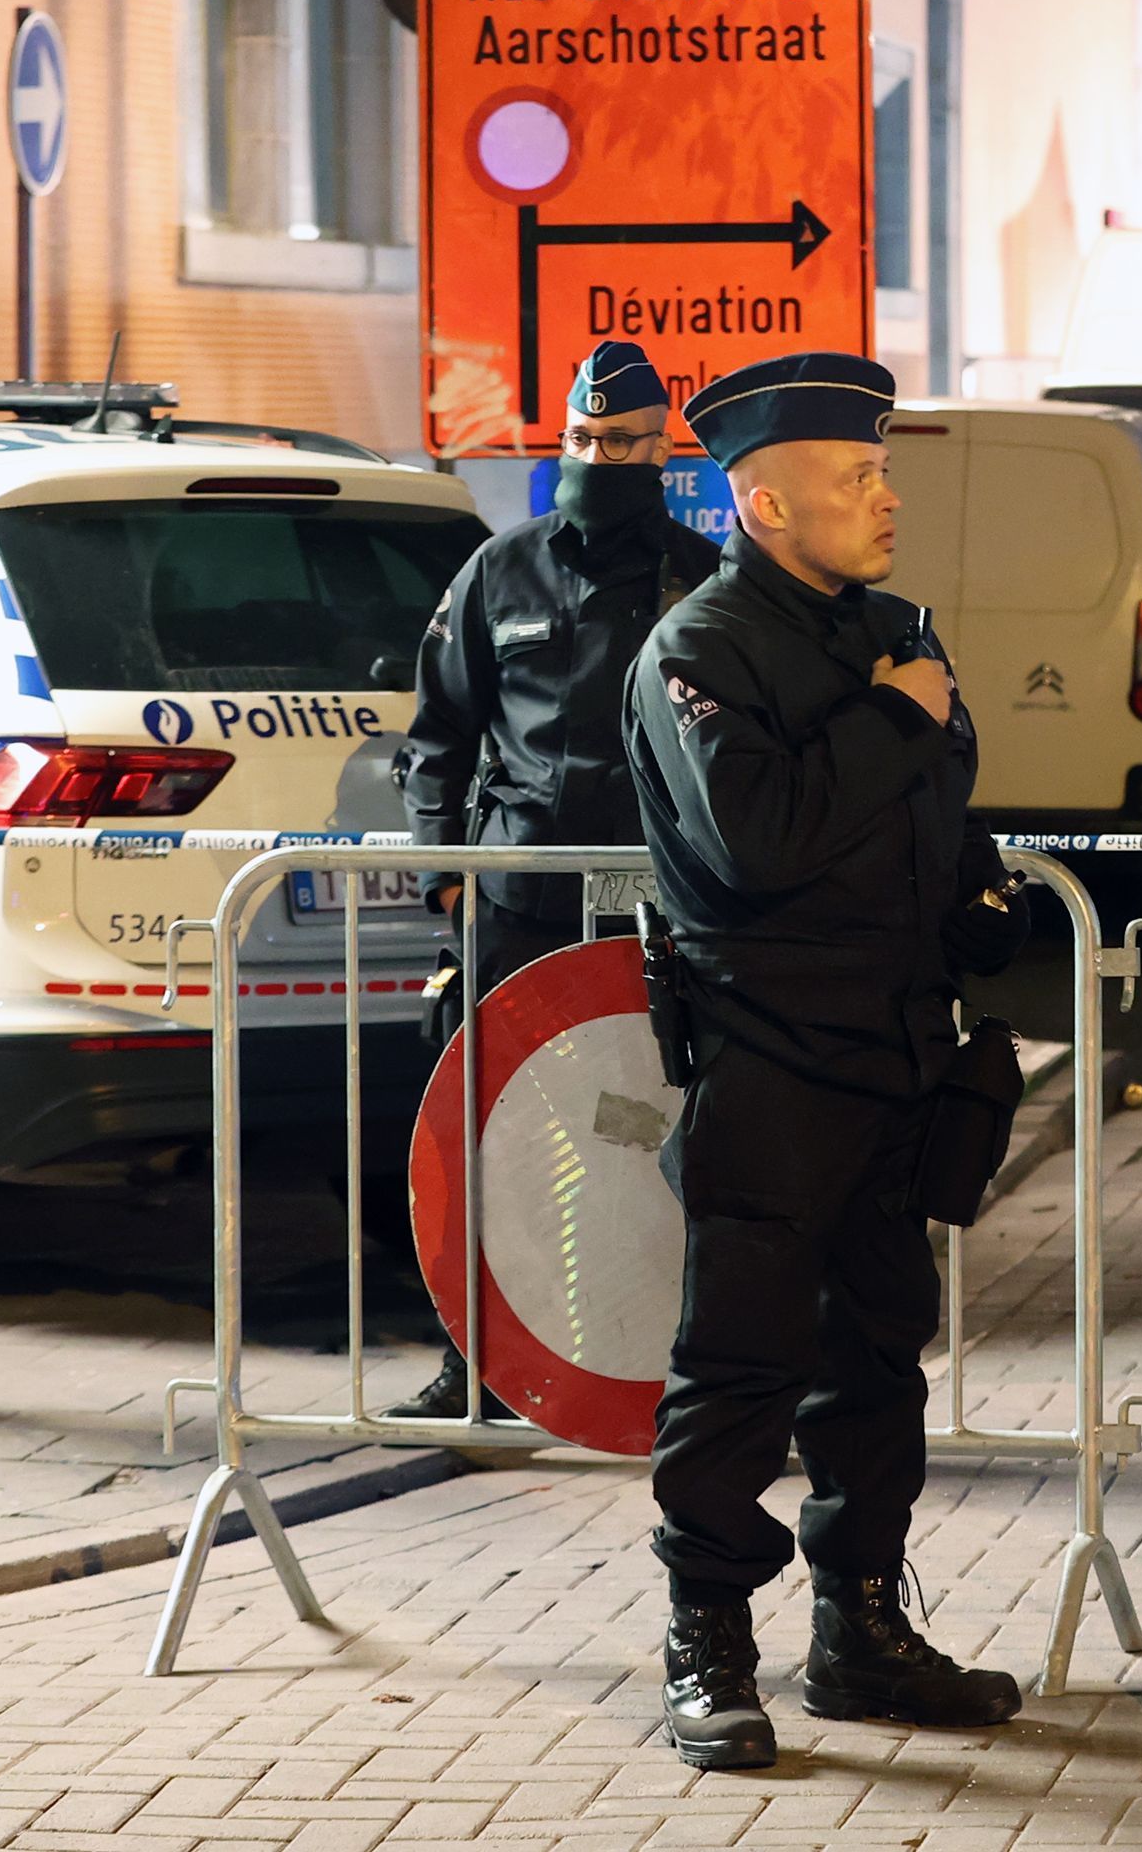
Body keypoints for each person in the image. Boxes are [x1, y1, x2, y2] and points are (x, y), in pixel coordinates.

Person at [620, 350, 1031, 1771]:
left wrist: (984, 902)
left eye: (879, 469)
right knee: (738, 1364)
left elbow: (935, 815)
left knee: (875, 1360)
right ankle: (708, 1649)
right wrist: (895, 714)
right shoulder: (702, 648)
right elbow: (760, 838)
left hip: (895, 1049)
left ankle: (859, 1632)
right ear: (764, 501)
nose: (883, 494)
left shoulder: (890, 630)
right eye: (854, 477)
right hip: (771, 1057)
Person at [388, 339, 723, 1423]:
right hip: (517, 909)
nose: (598, 458)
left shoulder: (702, 579)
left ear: (660, 451)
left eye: (622, 444)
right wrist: (448, 874)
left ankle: (654, 1366)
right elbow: (438, 734)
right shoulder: (502, 569)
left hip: (657, 916)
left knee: (649, 1136)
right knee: (486, 1141)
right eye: (584, 439)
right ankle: (473, 1363)